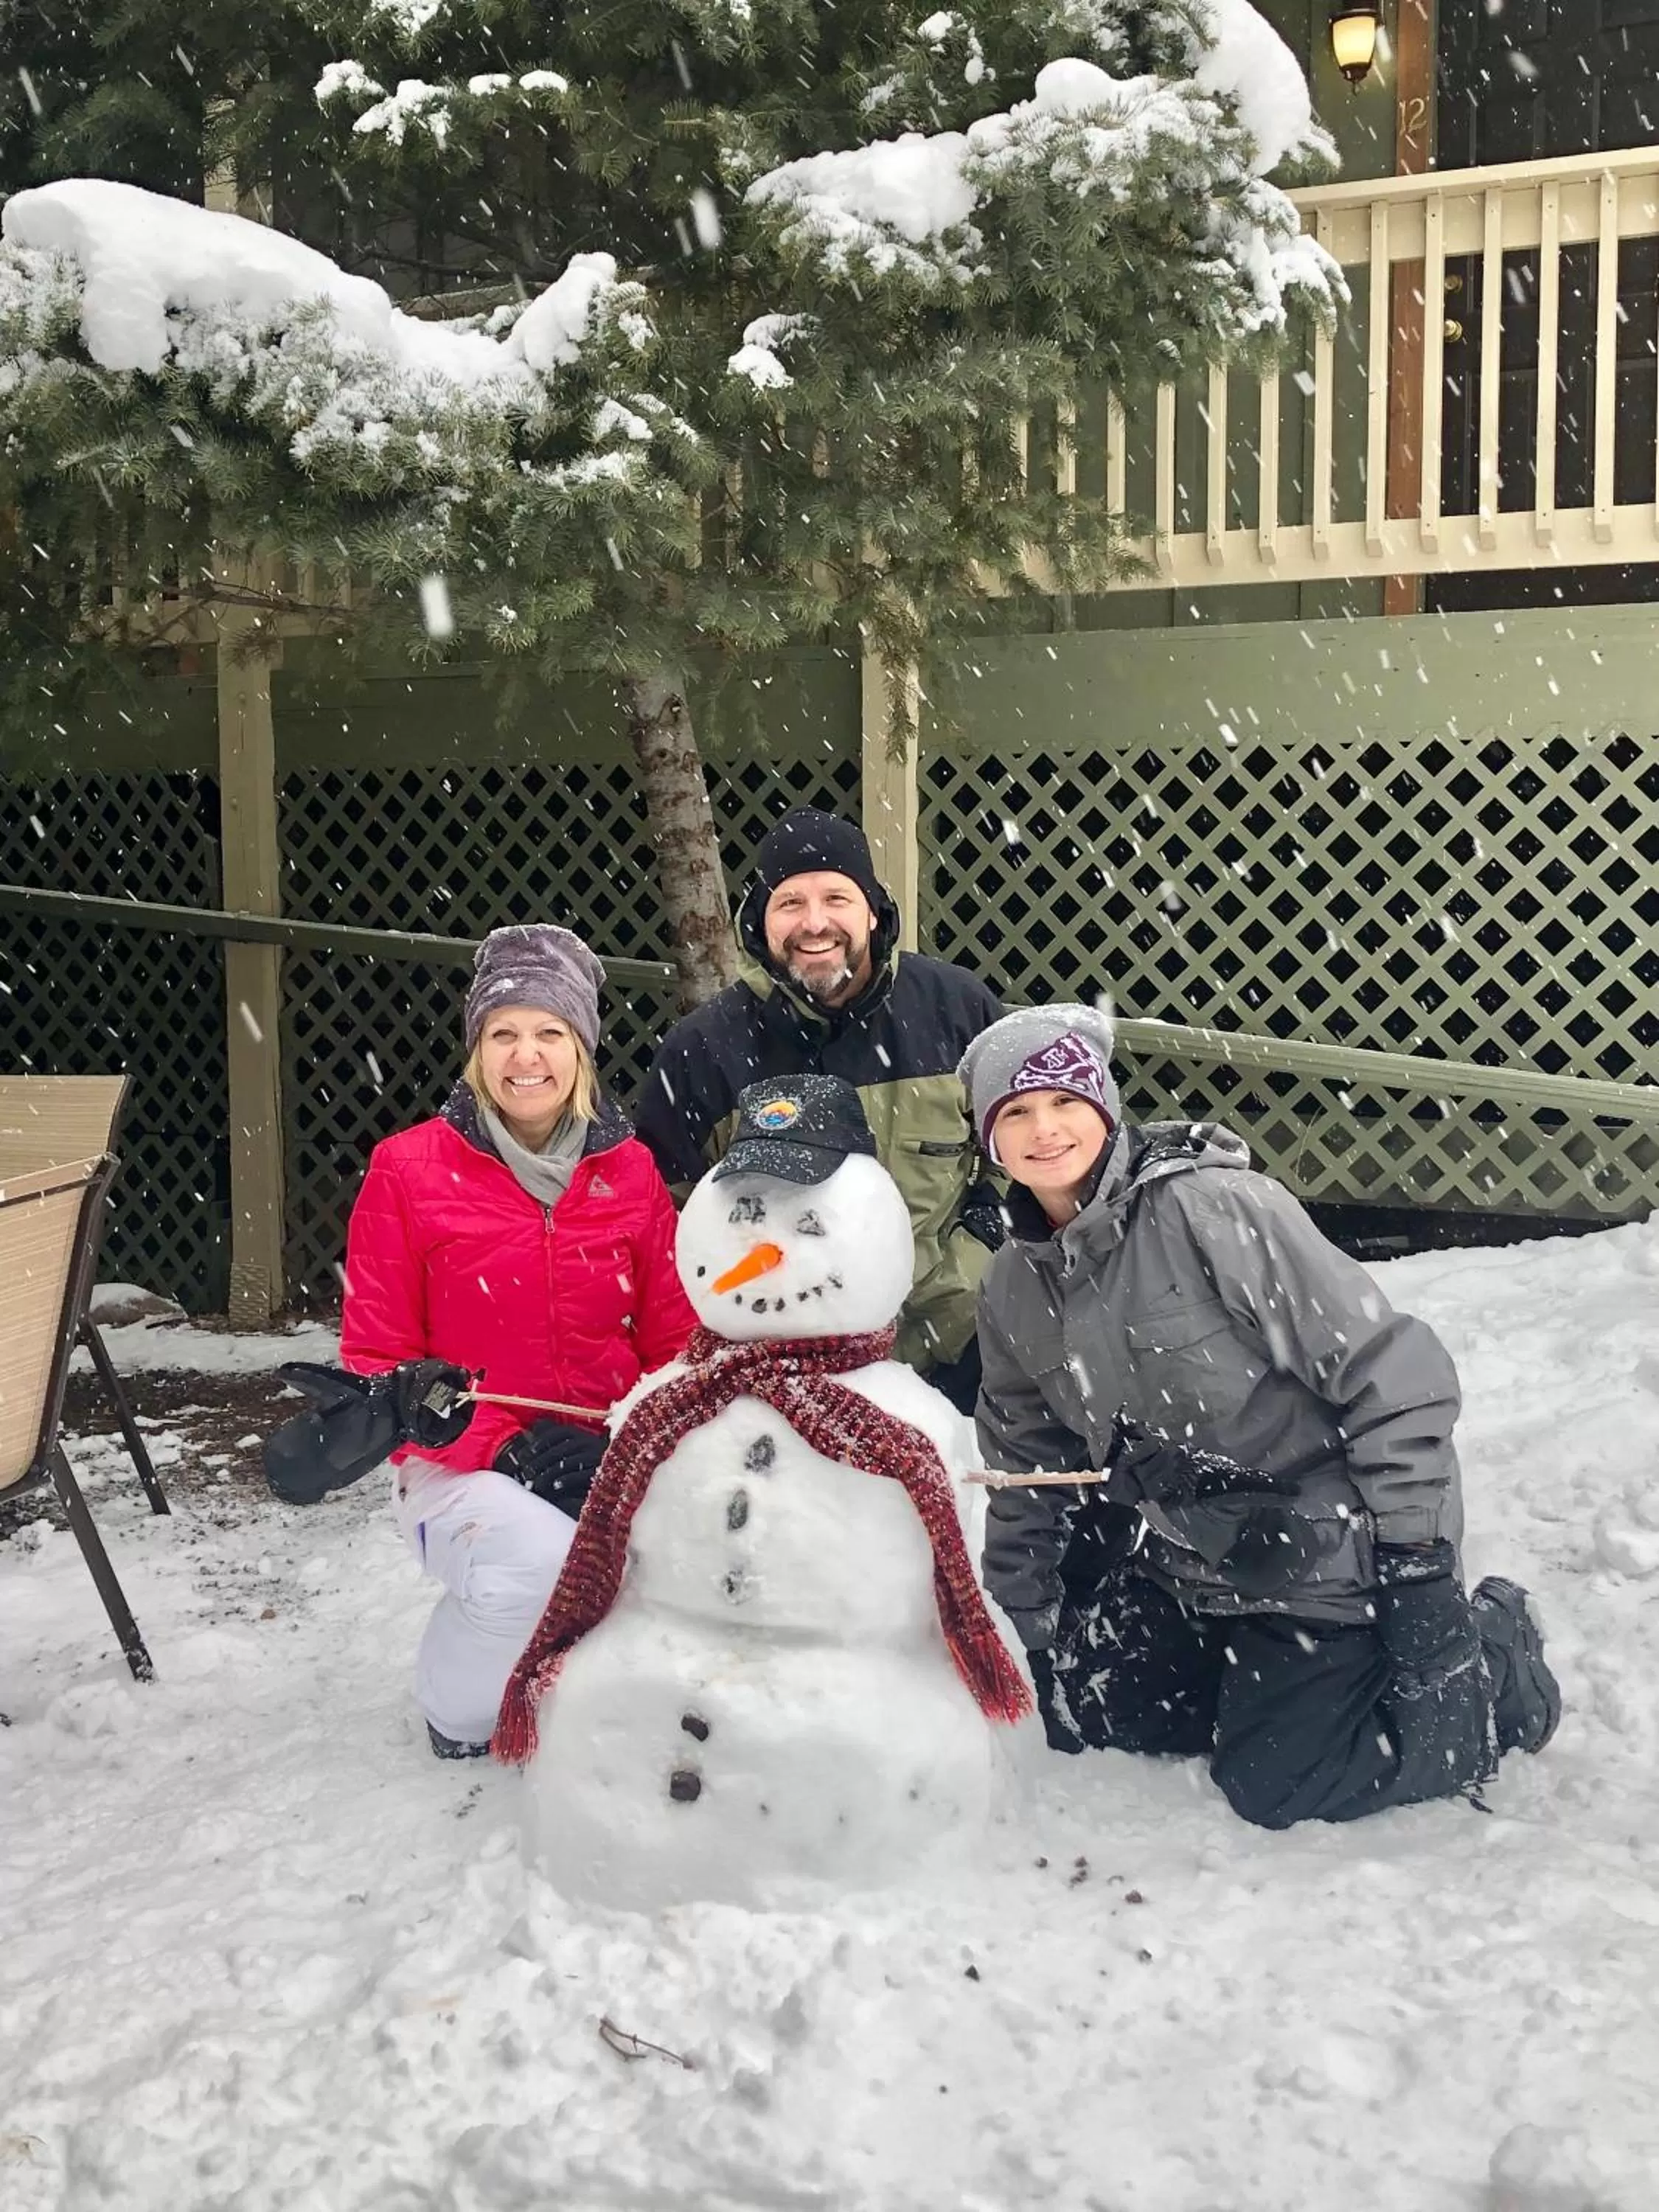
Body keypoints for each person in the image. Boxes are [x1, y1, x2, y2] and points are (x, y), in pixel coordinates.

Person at [958, 1002, 1561, 1830]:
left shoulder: (1216, 1210)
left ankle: (1495, 1657)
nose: (1046, 1129)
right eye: (1016, 1112)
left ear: (1104, 1106)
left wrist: (1415, 1558)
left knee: (1280, 1782)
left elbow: (1393, 1373)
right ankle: (1266, 1681)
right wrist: (1022, 1624)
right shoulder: (1011, 1287)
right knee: (1089, 1707)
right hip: (1200, 1555)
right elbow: (1026, 1461)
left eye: (1066, 1101)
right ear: (989, 1138)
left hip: (1327, 1545)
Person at [338, 922, 696, 1759]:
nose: (525, 1056)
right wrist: (501, 1447)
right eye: (503, 1033)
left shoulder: (629, 1171)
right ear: (476, 1049)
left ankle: (598, 1694)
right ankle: (457, 1707)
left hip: (604, 1450)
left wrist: (625, 1440)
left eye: (549, 1033)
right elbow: (379, 1358)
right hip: (457, 1463)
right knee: (539, 1563)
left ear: (581, 1049)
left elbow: (676, 1339)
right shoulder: (408, 1169)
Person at [634, 805, 1004, 1411]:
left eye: (837, 898)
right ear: (759, 920)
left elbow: (1024, 1147)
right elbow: (662, 1216)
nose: (814, 923)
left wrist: (983, 1240)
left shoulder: (956, 1011)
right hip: (780, 1375)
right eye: (790, 903)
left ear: (873, 910)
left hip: (955, 1351)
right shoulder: (705, 1050)